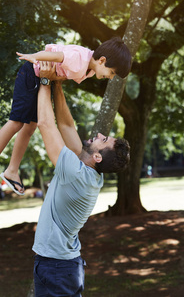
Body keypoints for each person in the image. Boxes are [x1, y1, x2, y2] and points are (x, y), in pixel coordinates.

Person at [0, 37, 131, 195]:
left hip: (40, 78)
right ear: (102, 60)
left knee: (30, 127)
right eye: (112, 73)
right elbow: (57, 56)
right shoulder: (80, 59)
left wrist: (54, 79)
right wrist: (35, 57)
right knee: (16, 123)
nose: (110, 77)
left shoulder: (89, 69)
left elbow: (60, 74)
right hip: (32, 73)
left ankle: (12, 170)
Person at [32, 61, 130, 296]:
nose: (99, 134)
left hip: (56, 267)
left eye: (103, 139)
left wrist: (44, 80)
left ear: (97, 156)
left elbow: (46, 125)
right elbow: (65, 125)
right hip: (61, 266)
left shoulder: (76, 173)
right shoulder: (89, 172)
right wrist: (57, 84)